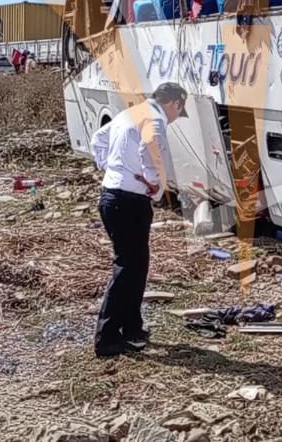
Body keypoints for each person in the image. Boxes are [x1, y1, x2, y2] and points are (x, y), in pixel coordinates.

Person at [88, 82, 187, 358]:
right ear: (175, 103)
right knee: (127, 268)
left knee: (136, 266)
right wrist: (154, 184)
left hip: (112, 197)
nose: (177, 117)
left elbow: (98, 139)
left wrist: (109, 167)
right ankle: (106, 337)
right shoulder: (155, 119)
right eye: (179, 111)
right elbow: (151, 150)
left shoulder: (129, 114)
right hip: (129, 202)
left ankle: (132, 327)